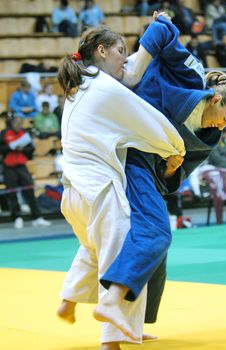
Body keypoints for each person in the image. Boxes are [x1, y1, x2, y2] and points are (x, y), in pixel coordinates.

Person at [97, 16, 226, 330]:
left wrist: (171, 170)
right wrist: (136, 69)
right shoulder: (190, 77)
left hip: (150, 170)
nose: (222, 127)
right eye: (225, 119)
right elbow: (164, 31)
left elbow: (177, 175)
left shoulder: (209, 136)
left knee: (158, 248)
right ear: (217, 99)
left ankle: (138, 322)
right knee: (156, 233)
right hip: (129, 151)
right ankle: (112, 300)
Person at [56, 24, 185, 349]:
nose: (124, 62)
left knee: (92, 249)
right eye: (120, 52)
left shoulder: (78, 87)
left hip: (71, 195)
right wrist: (176, 150)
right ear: (101, 50)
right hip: (99, 190)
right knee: (124, 253)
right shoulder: (106, 89)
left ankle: (68, 300)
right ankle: (111, 339)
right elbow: (150, 120)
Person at [0, 115, 51, 229]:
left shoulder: (24, 133)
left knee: (29, 190)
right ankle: (17, 218)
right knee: (12, 193)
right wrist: (12, 147)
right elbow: (1, 148)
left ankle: (36, 217)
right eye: (17, 123)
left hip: (22, 166)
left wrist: (22, 149)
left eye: (20, 123)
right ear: (12, 123)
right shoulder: (4, 133)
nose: (19, 125)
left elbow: (31, 149)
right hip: (9, 167)